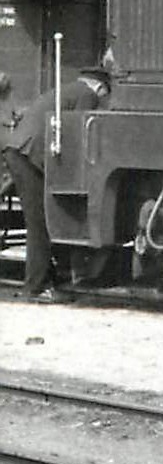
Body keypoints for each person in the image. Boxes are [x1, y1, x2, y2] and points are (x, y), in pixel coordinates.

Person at [1, 68, 108, 302]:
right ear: (100, 88)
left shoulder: (68, 90)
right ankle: (35, 288)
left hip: (22, 152)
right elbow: (78, 134)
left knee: (40, 221)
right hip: (28, 156)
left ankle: (46, 280)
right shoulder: (87, 95)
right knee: (39, 223)